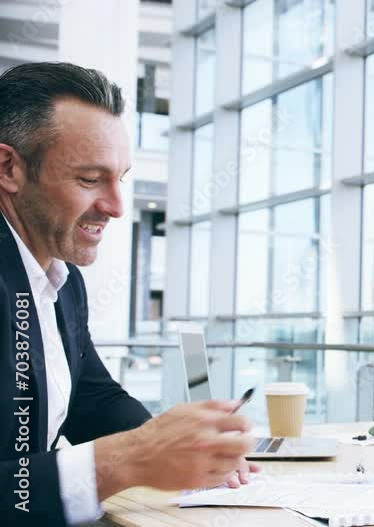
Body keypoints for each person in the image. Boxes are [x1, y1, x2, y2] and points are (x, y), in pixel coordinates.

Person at [0, 62, 258, 526]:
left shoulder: (60, 277)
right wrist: (128, 458)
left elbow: (93, 399)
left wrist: (185, 445)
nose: (117, 207)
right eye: (89, 179)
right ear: (8, 168)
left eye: (120, 177)